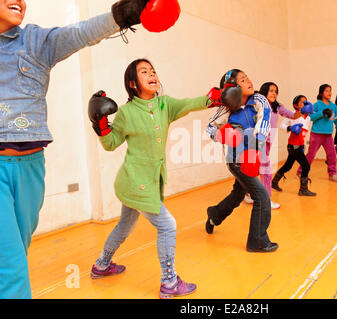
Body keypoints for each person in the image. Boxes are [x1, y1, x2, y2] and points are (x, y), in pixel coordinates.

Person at [0, 0, 171, 299]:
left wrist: (122, 15)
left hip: (31, 168)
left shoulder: (35, 41)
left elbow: (80, 32)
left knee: (14, 256)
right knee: (12, 268)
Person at [88, 58, 223, 299]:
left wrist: (212, 98)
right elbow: (110, 144)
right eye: (144, 72)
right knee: (168, 225)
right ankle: (169, 282)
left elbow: (188, 104)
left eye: (152, 71)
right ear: (132, 83)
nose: (151, 74)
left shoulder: (164, 105)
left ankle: (101, 265)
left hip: (147, 181)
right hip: (134, 181)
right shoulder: (127, 113)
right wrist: (101, 126)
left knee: (125, 225)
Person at [205, 69, 278, 253]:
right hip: (236, 160)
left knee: (238, 194)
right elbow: (209, 128)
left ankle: (214, 214)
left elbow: (265, 118)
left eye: (248, 77)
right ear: (233, 88)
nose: (249, 81)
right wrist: (222, 135)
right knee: (261, 197)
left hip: (252, 157)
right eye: (243, 80)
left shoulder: (258, 100)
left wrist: (256, 145)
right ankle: (257, 241)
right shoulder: (227, 108)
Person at [243, 82, 301, 209]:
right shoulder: (258, 105)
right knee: (267, 172)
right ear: (264, 92)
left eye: (276, 91)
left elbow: (292, 115)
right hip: (257, 141)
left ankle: (247, 194)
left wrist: (302, 110)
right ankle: (265, 200)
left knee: (256, 169)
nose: (274, 93)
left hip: (268, 143)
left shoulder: (277, 107)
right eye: (271, 91)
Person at [296, 84, 337, 182]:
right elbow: (310, 118)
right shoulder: (317, 105)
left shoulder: (334, 106)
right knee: (311, 154)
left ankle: (332, 174)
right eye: (326, 91)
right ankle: (301, 171)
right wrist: (322, 113)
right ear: (322, 93)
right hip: (316, 134)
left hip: (328, 135)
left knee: (332, 154)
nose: (329, 93)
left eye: (330, 91)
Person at [272, 95, 316, 196]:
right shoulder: (293, 114)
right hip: (293, 145)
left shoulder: (308, 117)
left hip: (299, 145)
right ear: (295, 105)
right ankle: (303, 190)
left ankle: (274, 182)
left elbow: (303, 133)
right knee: (306, 166)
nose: (305, 104)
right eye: (302, 102)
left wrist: (303, 145)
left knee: (288, 166)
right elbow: (282, 125)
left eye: (306, 102)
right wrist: (290, 128)